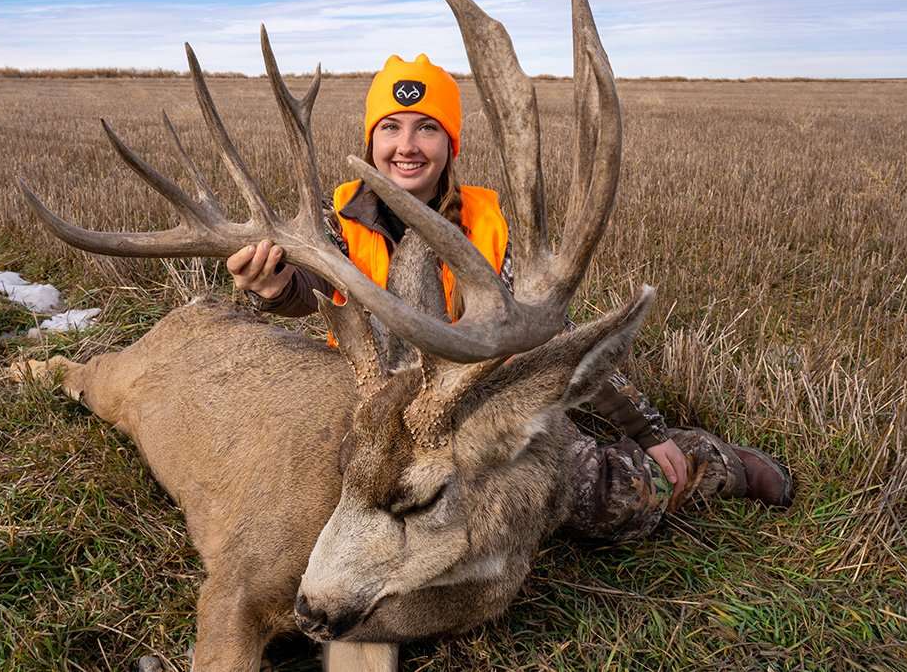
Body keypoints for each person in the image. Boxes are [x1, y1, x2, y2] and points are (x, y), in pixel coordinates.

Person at [226, 53, 792, 512]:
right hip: (377, 402)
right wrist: (275, 285)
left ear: (451, 145)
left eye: (428, 128)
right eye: (391, 128)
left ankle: (713, 460)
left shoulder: (487, 229)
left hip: (478, 398)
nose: (406, 146)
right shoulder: (337, 220)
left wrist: (648, 431)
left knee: (606, 504)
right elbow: (314, 291)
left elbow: (552, 337)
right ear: (370, 142)